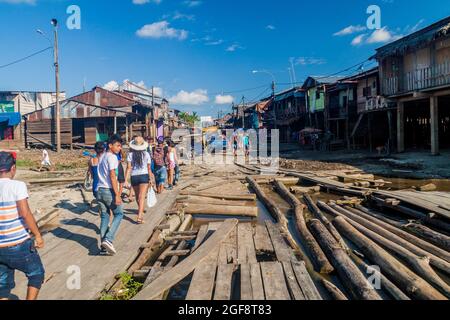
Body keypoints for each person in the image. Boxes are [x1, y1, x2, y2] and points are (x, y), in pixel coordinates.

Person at [0, 152, 45, 300]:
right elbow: (25, 213)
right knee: (36, 274)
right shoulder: (17, 186)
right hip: (18, 244)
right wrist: (37, 235)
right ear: (13, 168)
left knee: (3, 284)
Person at [96, 135, 124, 255]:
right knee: (119, 214)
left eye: (120, 145)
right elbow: (113, 176)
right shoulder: (112, 157)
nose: (119, 148)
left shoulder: (102, 156)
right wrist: (117, 194)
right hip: (108, 190)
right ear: (110, 145)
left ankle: (103, 247)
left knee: (105, 217)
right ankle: (108, 239)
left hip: (99, 190)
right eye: (117, 145)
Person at [125, 137, 155, 224]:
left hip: (134, 176)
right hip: (143, 176)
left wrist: (126, 180)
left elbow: (128, 168)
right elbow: (149, 169)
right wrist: (151, 179)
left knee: (138, 197)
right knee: (142, 197)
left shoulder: (130, 155)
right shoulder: (146, 154)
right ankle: (140, 216)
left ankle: (140, 212)